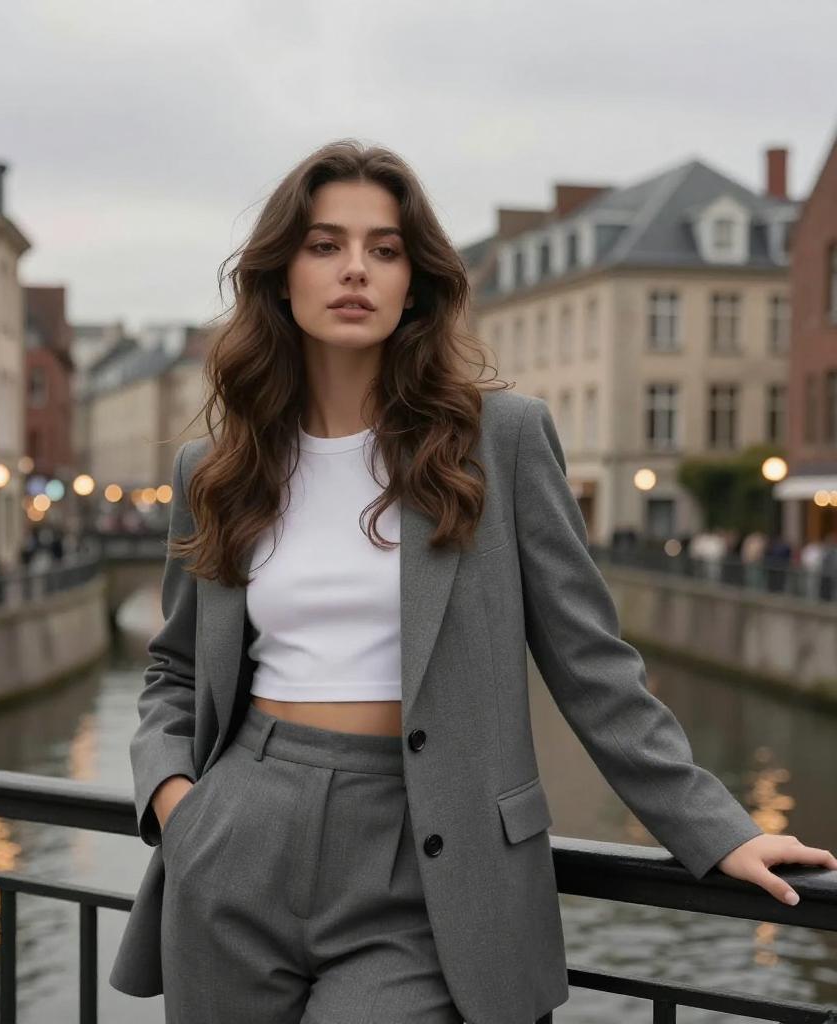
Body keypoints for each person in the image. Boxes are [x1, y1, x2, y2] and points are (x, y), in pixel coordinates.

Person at [108, 140, 837, 1023]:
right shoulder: (217, 468)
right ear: (280, 275)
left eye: (384, 250)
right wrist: (176, 801)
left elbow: (592, 664)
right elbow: (176, 669)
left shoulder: (502, 440)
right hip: (238, 834)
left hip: (430, 849)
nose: (356, 271)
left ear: (415, 282)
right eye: (325, 245)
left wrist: (719, 830)